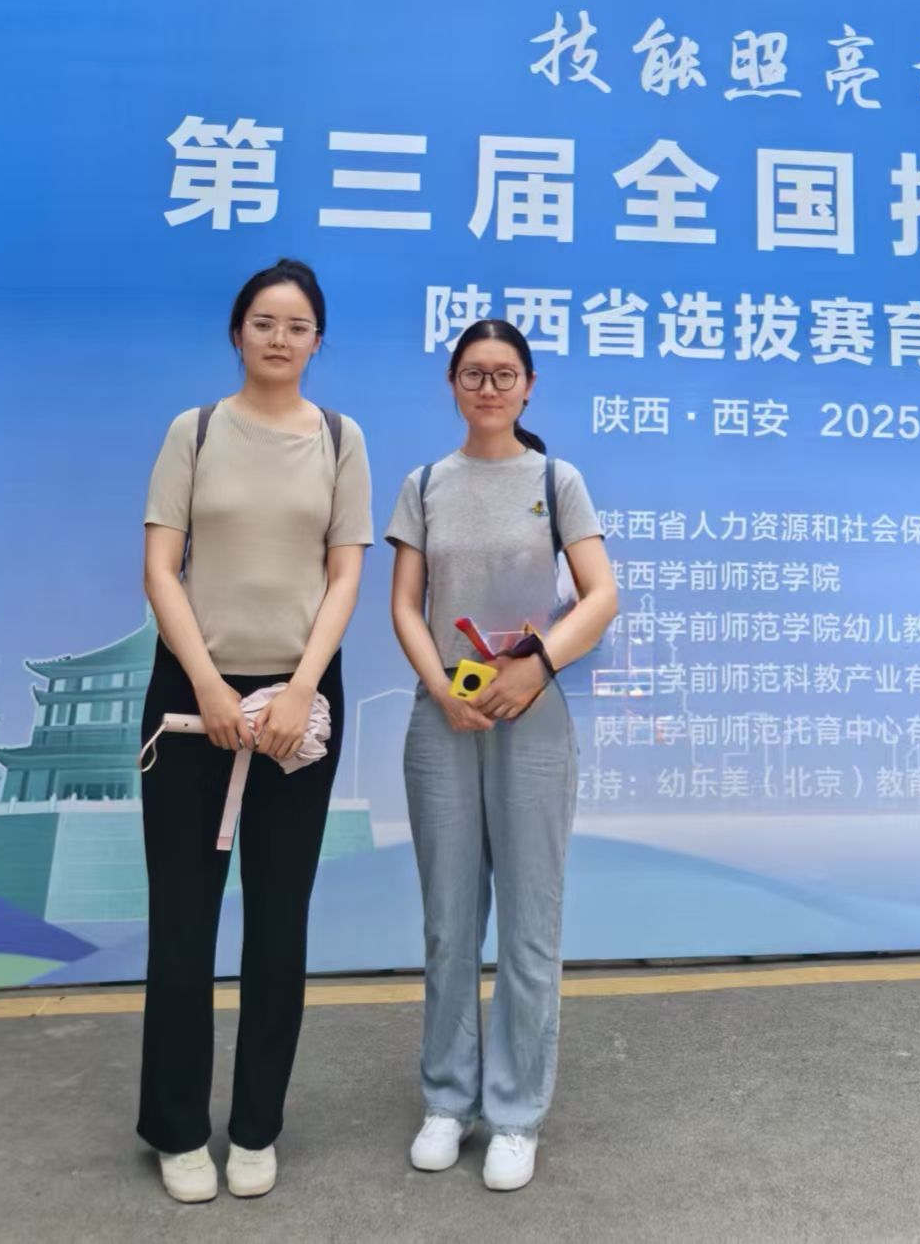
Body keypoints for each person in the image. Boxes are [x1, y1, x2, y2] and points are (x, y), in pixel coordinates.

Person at [137, 258, 372, 1203]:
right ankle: (177, 1128)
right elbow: (161, 568)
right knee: (182, 920)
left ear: (318, 341)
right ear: (237, 332)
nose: (280, 338)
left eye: (298, 325)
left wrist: (298, 688)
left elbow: (345, 574)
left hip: (298, 700)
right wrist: (207, 681)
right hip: (192, 692)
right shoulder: (192, 431)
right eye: (264, 321)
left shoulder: (342, 439)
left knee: (279, 918)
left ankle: (257, 1126)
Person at [385, 318, 618, 1192]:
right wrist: (440, 687)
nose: (489, 387)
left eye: (505, 374)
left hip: (533, 710)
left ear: (529, 386)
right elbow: (406, 604)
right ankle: (448, 1100)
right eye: (474, 373)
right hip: (443, 712)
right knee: (449, 921)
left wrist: (538, 665)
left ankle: (516, 1113)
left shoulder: (557, 481)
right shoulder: (424, 485)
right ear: (452, 384)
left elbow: (601, 596)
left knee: (528, 921)